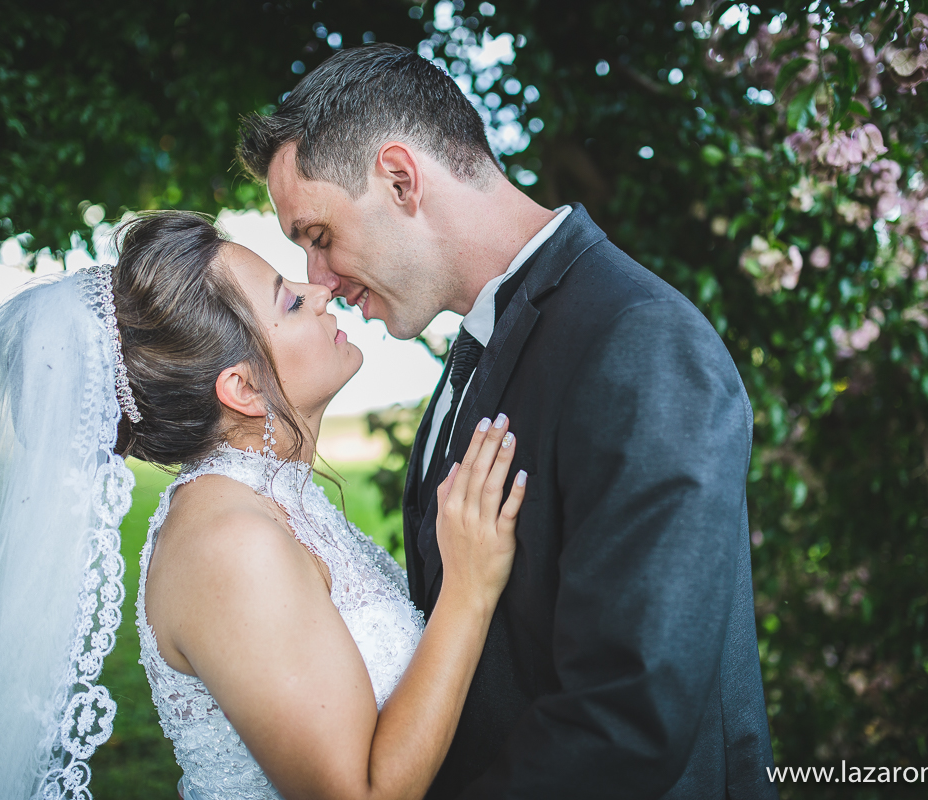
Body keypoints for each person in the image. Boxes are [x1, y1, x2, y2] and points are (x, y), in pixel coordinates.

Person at [237, 43, 778, 799]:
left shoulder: (639, 339)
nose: (320, 281)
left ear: (400, 178)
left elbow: (630, 715)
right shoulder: (479, 342)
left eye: (319, 237)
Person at [0, 210, 527, 800]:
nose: (320, 291)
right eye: (289, 298)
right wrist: (467, 588)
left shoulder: (265, 501)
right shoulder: (228, 543)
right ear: (243, 389)